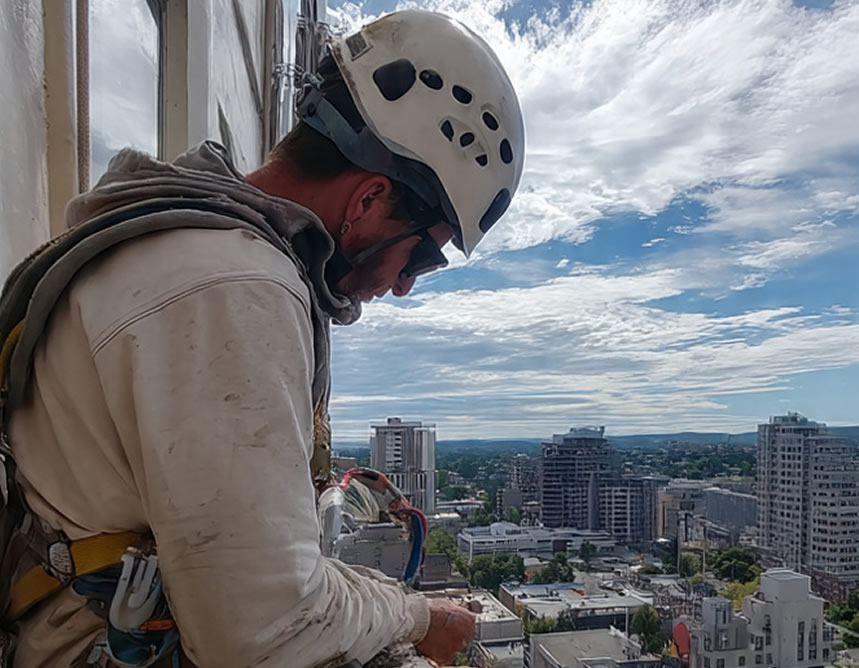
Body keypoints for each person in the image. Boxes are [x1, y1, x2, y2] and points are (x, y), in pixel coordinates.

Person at [0, 8, 523, 668]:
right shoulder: (232, 288)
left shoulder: (173, 241)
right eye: (420, 257)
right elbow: (267, 629)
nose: (402, 286)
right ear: (367, 202)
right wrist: (417, 617)